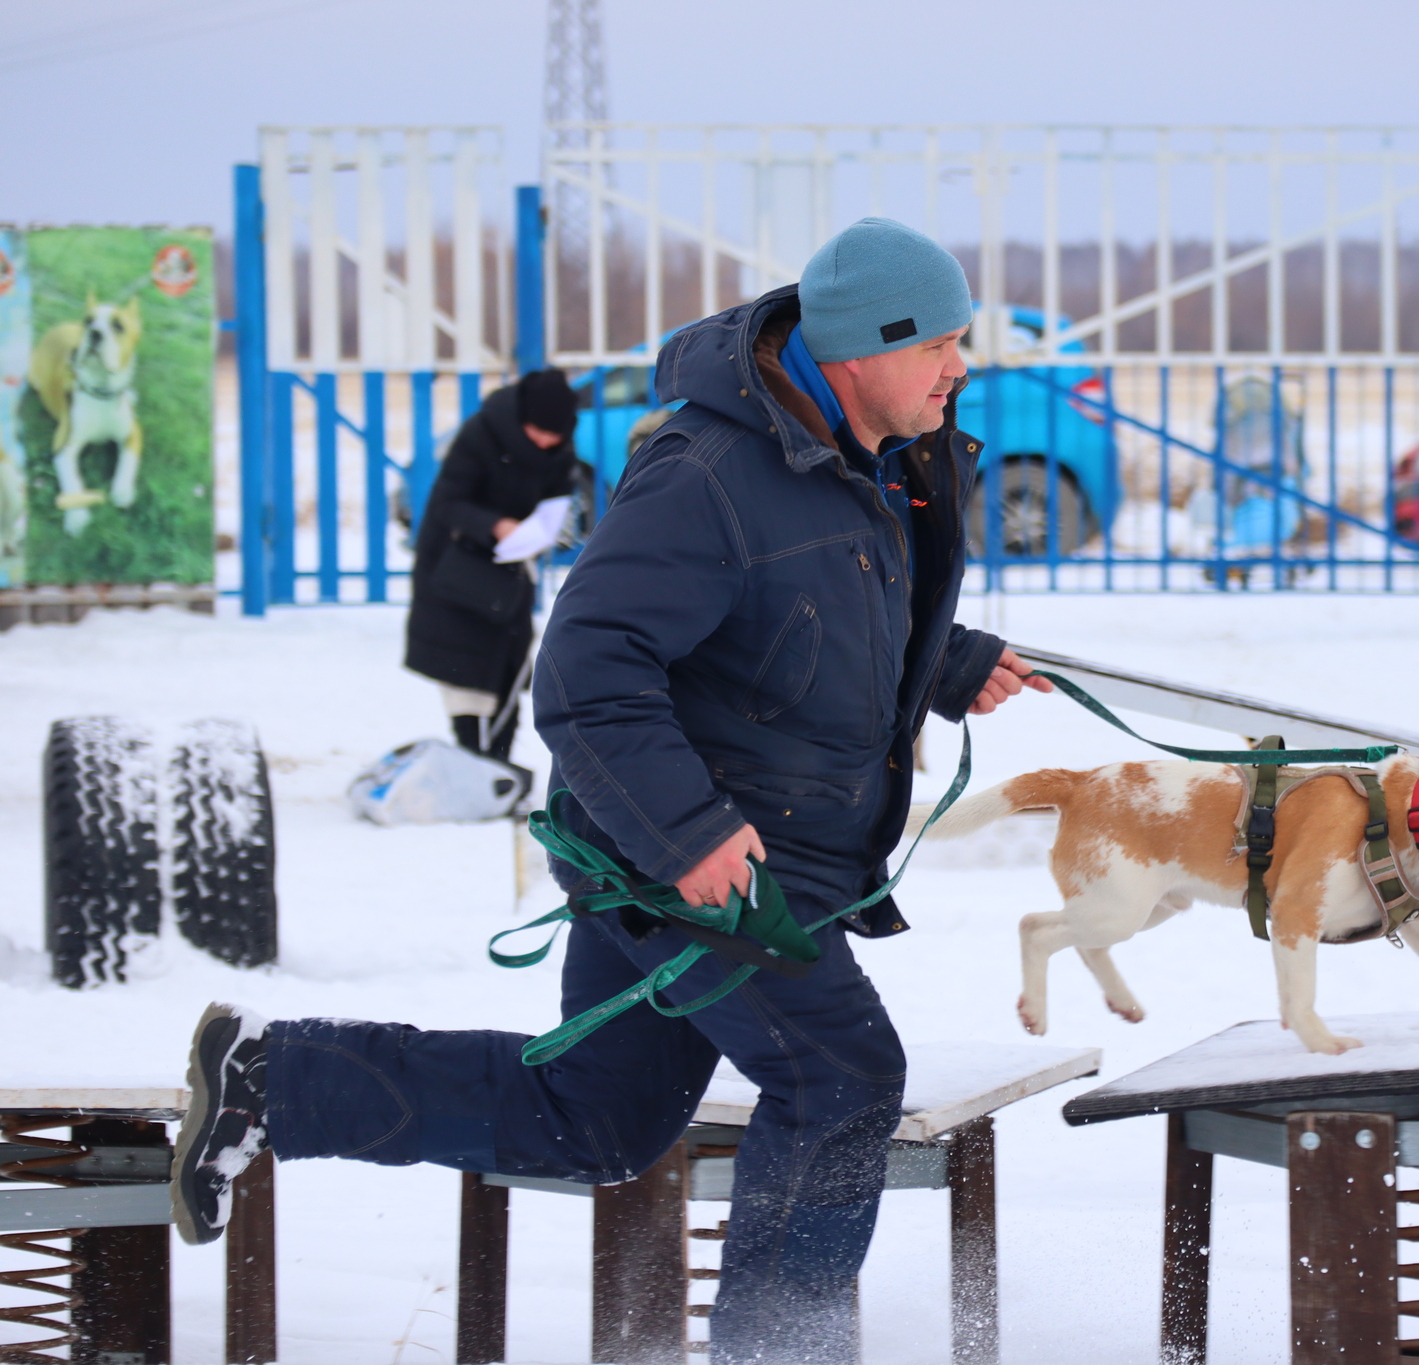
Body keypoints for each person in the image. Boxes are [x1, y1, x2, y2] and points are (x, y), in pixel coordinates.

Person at [169, 218, 1052, 1364]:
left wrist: (947, 659)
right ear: (856, 349)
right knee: (839, 1074)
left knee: (596, 1117)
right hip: (698, 856)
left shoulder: (859, 451)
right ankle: (778, 1351)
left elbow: (811, 613)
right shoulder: (710, 470)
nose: (959, 366)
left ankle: (275, 1079)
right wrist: (685, 832)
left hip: (715, 845)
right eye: (938, 341)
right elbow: (589, 671)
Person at [404, 367, 582, 759]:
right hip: (457, 570)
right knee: (465, 671)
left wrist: (544, 527)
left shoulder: (559, 450)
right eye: (538, 430)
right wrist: (496, 525)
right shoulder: (480, 435)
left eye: (554, 434)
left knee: (507, 667)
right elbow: (448, 502)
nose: (544, 440)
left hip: (509, 574)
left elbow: (556, 498)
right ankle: (474, 758)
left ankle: (497, 763)